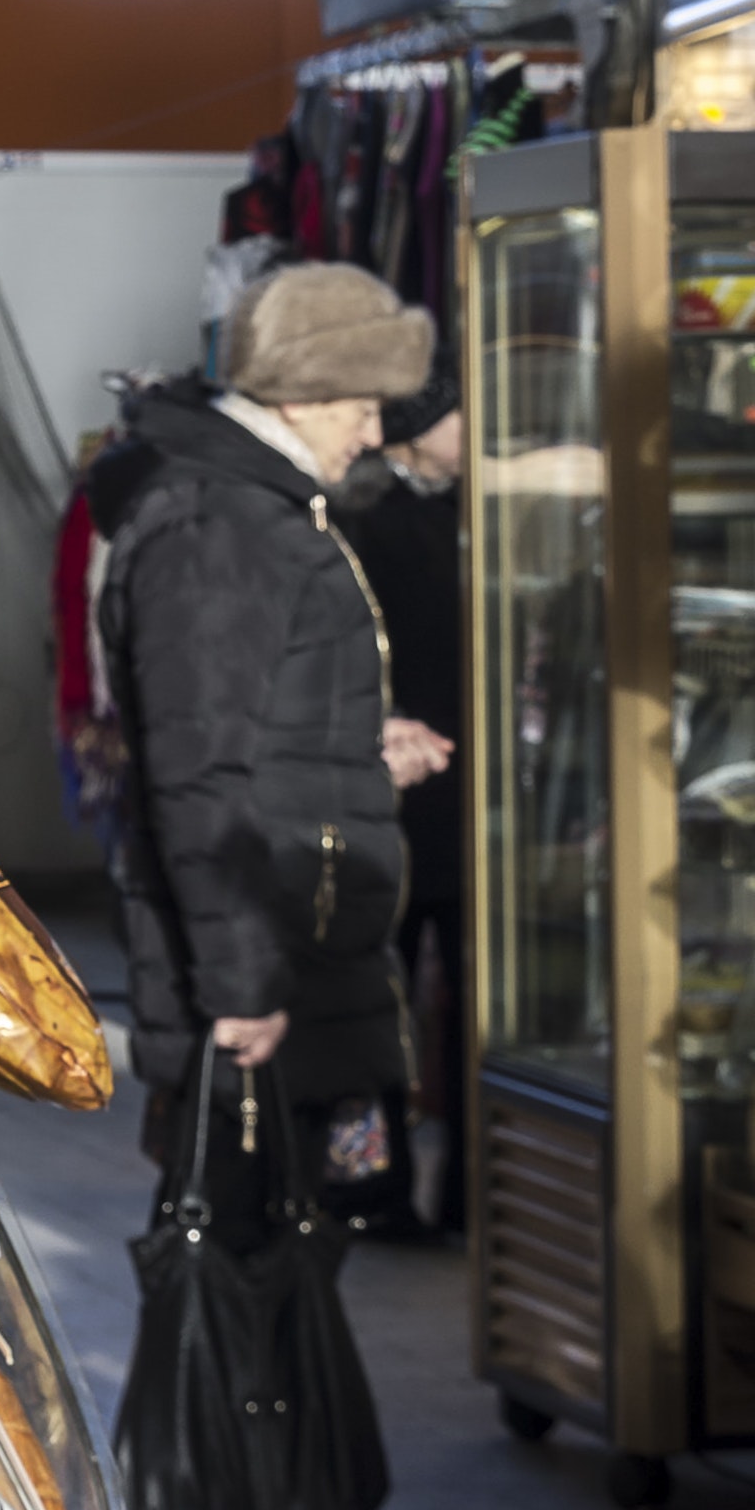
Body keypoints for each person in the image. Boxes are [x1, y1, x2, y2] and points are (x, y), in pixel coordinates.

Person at [97, 259, 443, 1510]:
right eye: (362, 396)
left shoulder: (251, 508)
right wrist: (238, 980)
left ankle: (288, 1491)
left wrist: (362, 748)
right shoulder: (218, 524)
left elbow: (257, 736)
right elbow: (199, 774)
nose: (377, 424)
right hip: (264, 968)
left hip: (306, 945)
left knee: (304, 1227)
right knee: (243, 1239)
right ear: (304, 390)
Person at [347, 380, 468, 1237]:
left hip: (454, 792)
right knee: (377, 999)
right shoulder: (361, 519)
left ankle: (458, 1183)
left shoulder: (469, 512)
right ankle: (372, 1180)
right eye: (460, 415)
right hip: (390, 786)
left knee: (452, 1001)